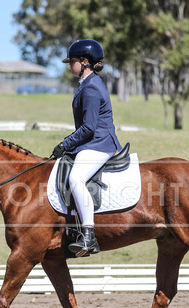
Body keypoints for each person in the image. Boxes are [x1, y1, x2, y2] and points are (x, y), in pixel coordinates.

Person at [52, 39, 122, 257]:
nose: (69, 65)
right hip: (93, 142)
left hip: (99, 143)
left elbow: (89, 128)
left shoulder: (91, 88)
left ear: (84, 61)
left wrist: (65, 144)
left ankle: (89, 235)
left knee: (76, 179)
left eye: (71, 61)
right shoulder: (88, 83)